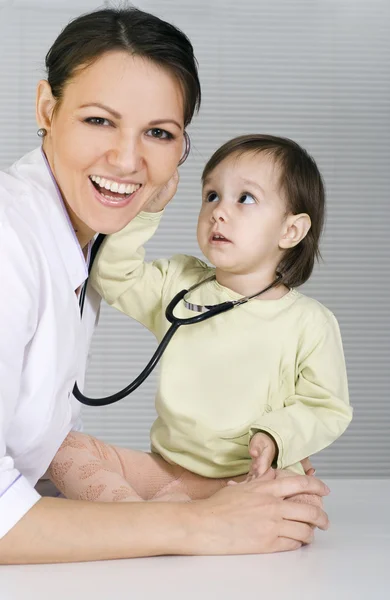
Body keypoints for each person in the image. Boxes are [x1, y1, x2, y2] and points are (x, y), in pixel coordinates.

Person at [0, 7, 331, 565]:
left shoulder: (79, 236)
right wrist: (198, 523)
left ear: (181, 150)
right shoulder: (10, 240)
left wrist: (231, 477)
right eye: (99, 121)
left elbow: (32, 445)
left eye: (158, 133)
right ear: (47, 109)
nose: (128, 160)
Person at [48, 133, 352, 505]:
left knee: (302, 507)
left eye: (246, 198)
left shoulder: (309, 322)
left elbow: (326, 407)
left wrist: (275, 436)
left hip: (250, 477)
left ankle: (160, 519)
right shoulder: (180, 283)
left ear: (291, 230)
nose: (219, 211)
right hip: (168, 470)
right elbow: (113, 275)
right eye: (211, 195)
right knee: (58, 449)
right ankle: (157, 519)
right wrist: (148, 210)